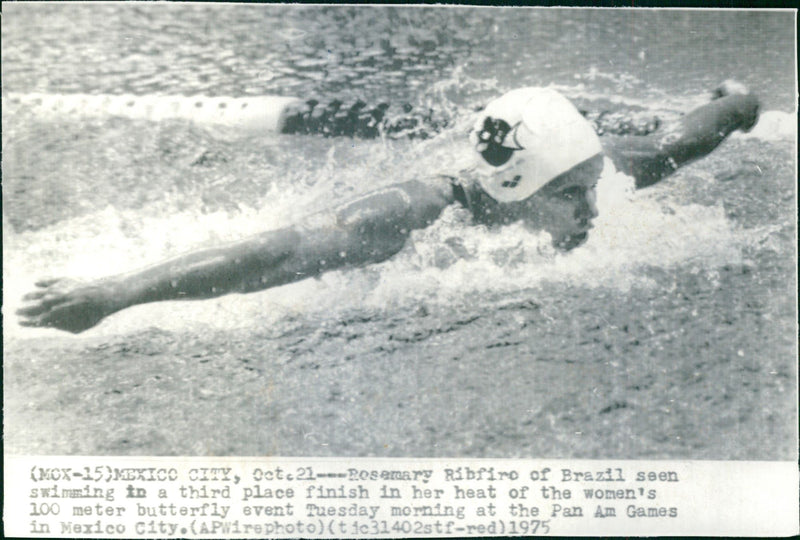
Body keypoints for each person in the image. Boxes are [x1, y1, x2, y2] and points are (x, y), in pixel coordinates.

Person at [17, 80, 759, 334]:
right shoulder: (410, 215)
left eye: (590, 184)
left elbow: (681, 141)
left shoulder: (591, 173)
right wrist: (114, 293)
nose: (591, 209)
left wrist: (740, 101)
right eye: (569, 197)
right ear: (514, 191)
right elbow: (271, 255)